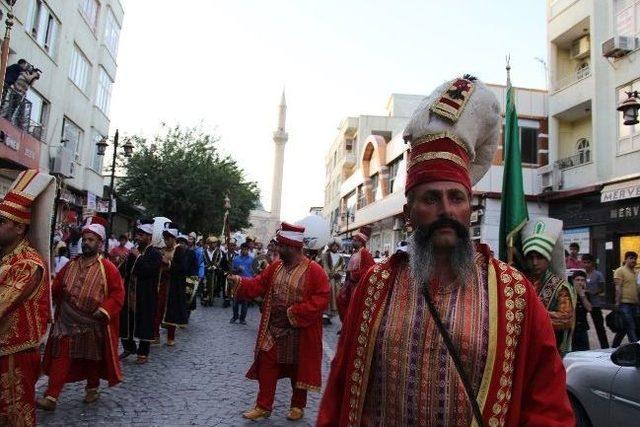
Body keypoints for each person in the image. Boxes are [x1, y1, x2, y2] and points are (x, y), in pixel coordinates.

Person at [318, 76, 574, 426]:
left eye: (456, 198)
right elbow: (340, 384)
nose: (446, 210)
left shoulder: (513, 295)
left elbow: (547, 403)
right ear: (408, 213)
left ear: (470, 208)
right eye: (430, 198)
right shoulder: (375, 287)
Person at [228, 222, 330, 421]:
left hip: (299, 331)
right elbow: (258, 284)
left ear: (292, 247)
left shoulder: (315, 271)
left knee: (297, 370)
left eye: (281, 246)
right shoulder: (276, 267)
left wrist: (294, 312)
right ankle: (263, 406)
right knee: (267, 363)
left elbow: (321, 299)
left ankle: (298, 405)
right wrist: (239, 282)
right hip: (273, 329)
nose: (277, 249)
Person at [38, 216, 124, 410]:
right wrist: (46, 290)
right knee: (62, 354)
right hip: (66, 320)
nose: (86, 243)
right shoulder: (71, 264)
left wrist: (104, 310)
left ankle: (92, 388)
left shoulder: (108, 269)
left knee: (91, 358)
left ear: (100, 243)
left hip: (92, 322)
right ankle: (51, 396)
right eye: (84, 239)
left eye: (91, 240)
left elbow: (118, 293)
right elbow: (57, 286)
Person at [0, 169, 55, 427]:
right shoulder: (6, 256)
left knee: (15, 419)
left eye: (1, 221)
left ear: (20, 227)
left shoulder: (28, 263)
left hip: (14, 358)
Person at [522, 217, 576, 355]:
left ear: (548, 258)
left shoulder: (560, 287)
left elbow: (566, 319)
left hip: (549, 350)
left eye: (539, 257)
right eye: (530, 257)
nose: (534, 262)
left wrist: (530, 317)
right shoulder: (520, 282)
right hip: (524, 350)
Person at [119, 220, 163, 364]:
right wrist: (122, 261)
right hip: (130, 292)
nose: (138, 238)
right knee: (126, 320)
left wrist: (138, 257)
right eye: (137, 235)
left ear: (149, 237)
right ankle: (129, 347)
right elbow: (125, 270)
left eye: (142, 235)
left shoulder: (155, 254)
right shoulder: (134, 251)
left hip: (145, 294)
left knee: (144, 322)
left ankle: (143, 352)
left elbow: (147, 271)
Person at [158, 223, 189, 346]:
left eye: (169, 238)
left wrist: (168, 263)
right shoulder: (162, 250)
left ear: (174, 238)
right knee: (157, 309)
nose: (166, 241)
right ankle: (155, 335)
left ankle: (170, 337)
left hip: (174, 286)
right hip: (161, 283)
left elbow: (182, 268)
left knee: (172, 310)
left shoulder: (180, 250)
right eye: (165, 238)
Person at [336, 229, 374, 322]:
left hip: (357, 286)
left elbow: (369, 269)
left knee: (352, 307)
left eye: (355, 240)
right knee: (341, 300)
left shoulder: (364, 253)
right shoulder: (355, 252)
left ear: (361, 242)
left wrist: (354, 275)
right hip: (349, 284)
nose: (352, 241)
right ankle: (345, 324)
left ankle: (349, 326)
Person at [612, 251, 639, 347]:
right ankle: (637, 349)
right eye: (631, 258)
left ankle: (614, 347)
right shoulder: (620, 270)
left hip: (635, 305)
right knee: (631, 327)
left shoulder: (636, 273)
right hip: (624, 304)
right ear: (626, 259)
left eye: (635, 258)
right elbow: (618, 288)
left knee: (624, 329)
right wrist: (617, 303)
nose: (634, 260)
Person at [582, 253, 609, 348]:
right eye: (584, 262)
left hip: (595, 304)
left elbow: (602, 288)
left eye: (588, 262)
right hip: (584, 304)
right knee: (582, 326)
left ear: (592, 263)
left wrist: (591, 292)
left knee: (600, 327)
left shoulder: (598, 274)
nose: (586, 265)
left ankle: (605, 347)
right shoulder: (582, 274)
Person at [320, 237, 345, 321]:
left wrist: (337, 273)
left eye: (336, 246)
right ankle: (326, 314)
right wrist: (328, 274)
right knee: (327, 295)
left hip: (336, 281)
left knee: (336, 296)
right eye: (333, 246)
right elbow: (323, 265)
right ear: (330, 246)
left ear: (338, 247)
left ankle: (333, 314)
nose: (335, 247)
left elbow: (342, 268)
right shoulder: (325, 255)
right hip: (328, 280)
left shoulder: (340, 258)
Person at [230, 243, 254, 324]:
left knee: (245, 302)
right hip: (237, 282)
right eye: (243, 249)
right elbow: (232, 271)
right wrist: (237, 270)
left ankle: (242, 319)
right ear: (241, 249)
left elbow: (254, 272)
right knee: (235, 301)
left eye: (246, 249)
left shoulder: (252, 260)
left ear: (248, 250)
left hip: (247, 282)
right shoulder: (236, 259)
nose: (244, 251)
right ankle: (235, 316)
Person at [571, 270, 592, 351]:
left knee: (584, 353)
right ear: (573, 281)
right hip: (572, 330)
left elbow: (589, 308)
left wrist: (582, 295)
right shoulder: (568, 293)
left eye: (582, 280)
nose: (580, 282)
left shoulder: (586, 294)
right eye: (577, 280)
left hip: (582, 329)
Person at [202, 236, 223, 306]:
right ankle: (205, 298)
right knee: (205, 284)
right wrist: (207, 266)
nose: (213, 245)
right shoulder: (204, 251)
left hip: (215, 271)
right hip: (206, 269)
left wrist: (215, 266)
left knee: (213, 284)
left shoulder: (218, 251)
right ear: (208, 244)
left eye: (214, 243)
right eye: (211, 243)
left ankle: (211, 298)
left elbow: (219, 259)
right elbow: (204, 259)